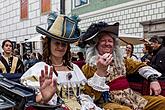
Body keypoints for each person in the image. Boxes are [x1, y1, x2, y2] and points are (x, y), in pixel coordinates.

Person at [20, 12, 102, 110]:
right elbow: (31, 102)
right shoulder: (40, 69)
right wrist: (45, 97)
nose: (60, 47)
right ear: (49, 44)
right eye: (56, 43)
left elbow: (83, 94)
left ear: (67, 47)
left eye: (64, 44)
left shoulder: (74, 68)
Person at [78, 21, 165, 110]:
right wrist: (100, 72)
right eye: (103, 41)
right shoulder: (89, 67)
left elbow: (139, 65)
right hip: (108, 101)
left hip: (131, 98)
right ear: (96, 44)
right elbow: (89, 95)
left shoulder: (122, 60)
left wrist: (153, 79)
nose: (107, 43)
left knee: (161, 102)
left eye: (110, 41)